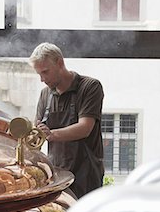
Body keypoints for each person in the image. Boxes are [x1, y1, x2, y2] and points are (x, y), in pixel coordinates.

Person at [29, 42, 105, 199]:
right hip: (57, 176)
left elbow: (85, 128)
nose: (42, 79)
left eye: (45, 72)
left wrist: (51, 135)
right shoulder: (45, 94)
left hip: (86, 175)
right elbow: (37, 134)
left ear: (60, 62)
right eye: (39, 74)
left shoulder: (90, 87)